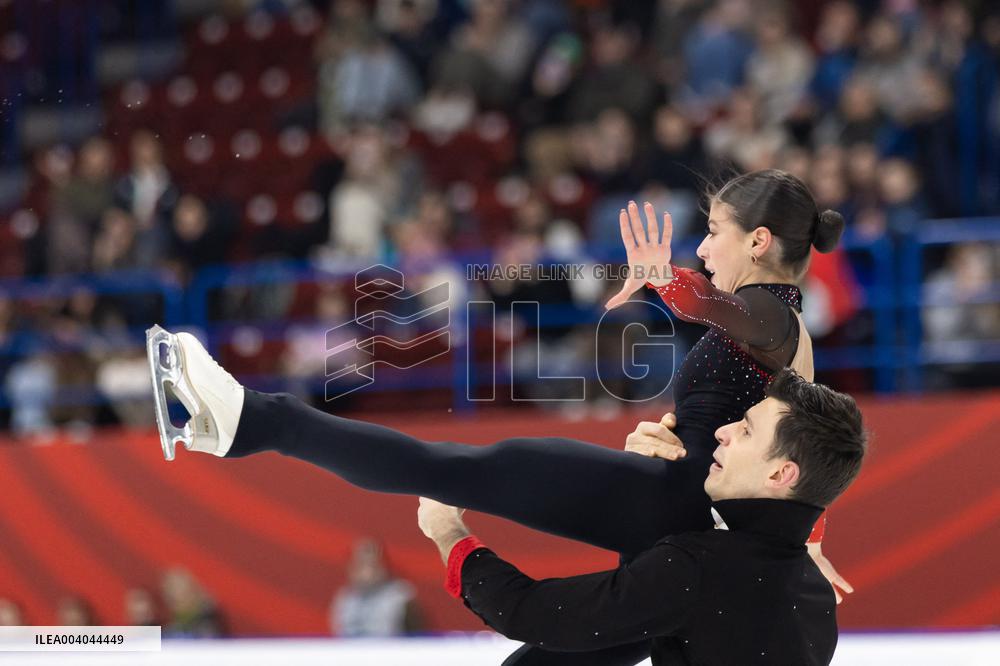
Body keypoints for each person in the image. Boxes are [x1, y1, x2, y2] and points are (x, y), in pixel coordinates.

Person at [148, 169, 848, 665]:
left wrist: (668, 281)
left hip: (671, 511)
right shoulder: (774, 334)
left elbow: (720, 315)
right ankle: (236, 425)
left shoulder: (773, 319)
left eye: (714, 233)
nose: (701, 246)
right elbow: (796, 455)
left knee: (451, 468)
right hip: (680, 518)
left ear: (758, 243)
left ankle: (247, 422)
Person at [417, 370, 867, 665]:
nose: (723, 431)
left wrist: (448, 532)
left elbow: (535, 615)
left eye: (746, 430)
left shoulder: (700, 566)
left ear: (780, 473)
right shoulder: (814, 594)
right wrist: (643, 480)